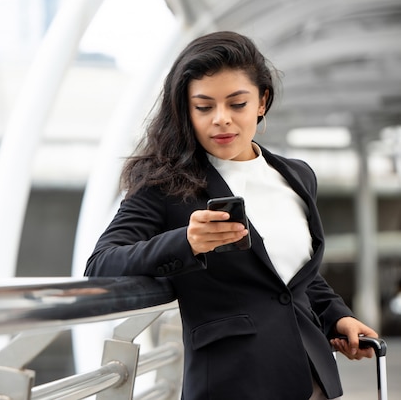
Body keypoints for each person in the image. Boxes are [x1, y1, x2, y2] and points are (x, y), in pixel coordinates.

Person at [84, 31, 378, 400]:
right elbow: (101, 265)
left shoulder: (297, 175)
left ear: (262, 101)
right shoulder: (163, 182)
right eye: (204, 107)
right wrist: (186, 242)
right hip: (230, 384)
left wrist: (338, 316)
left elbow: (295, 276)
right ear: (186, 111)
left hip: (312, 380)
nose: (221, 120)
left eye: (237, 104)